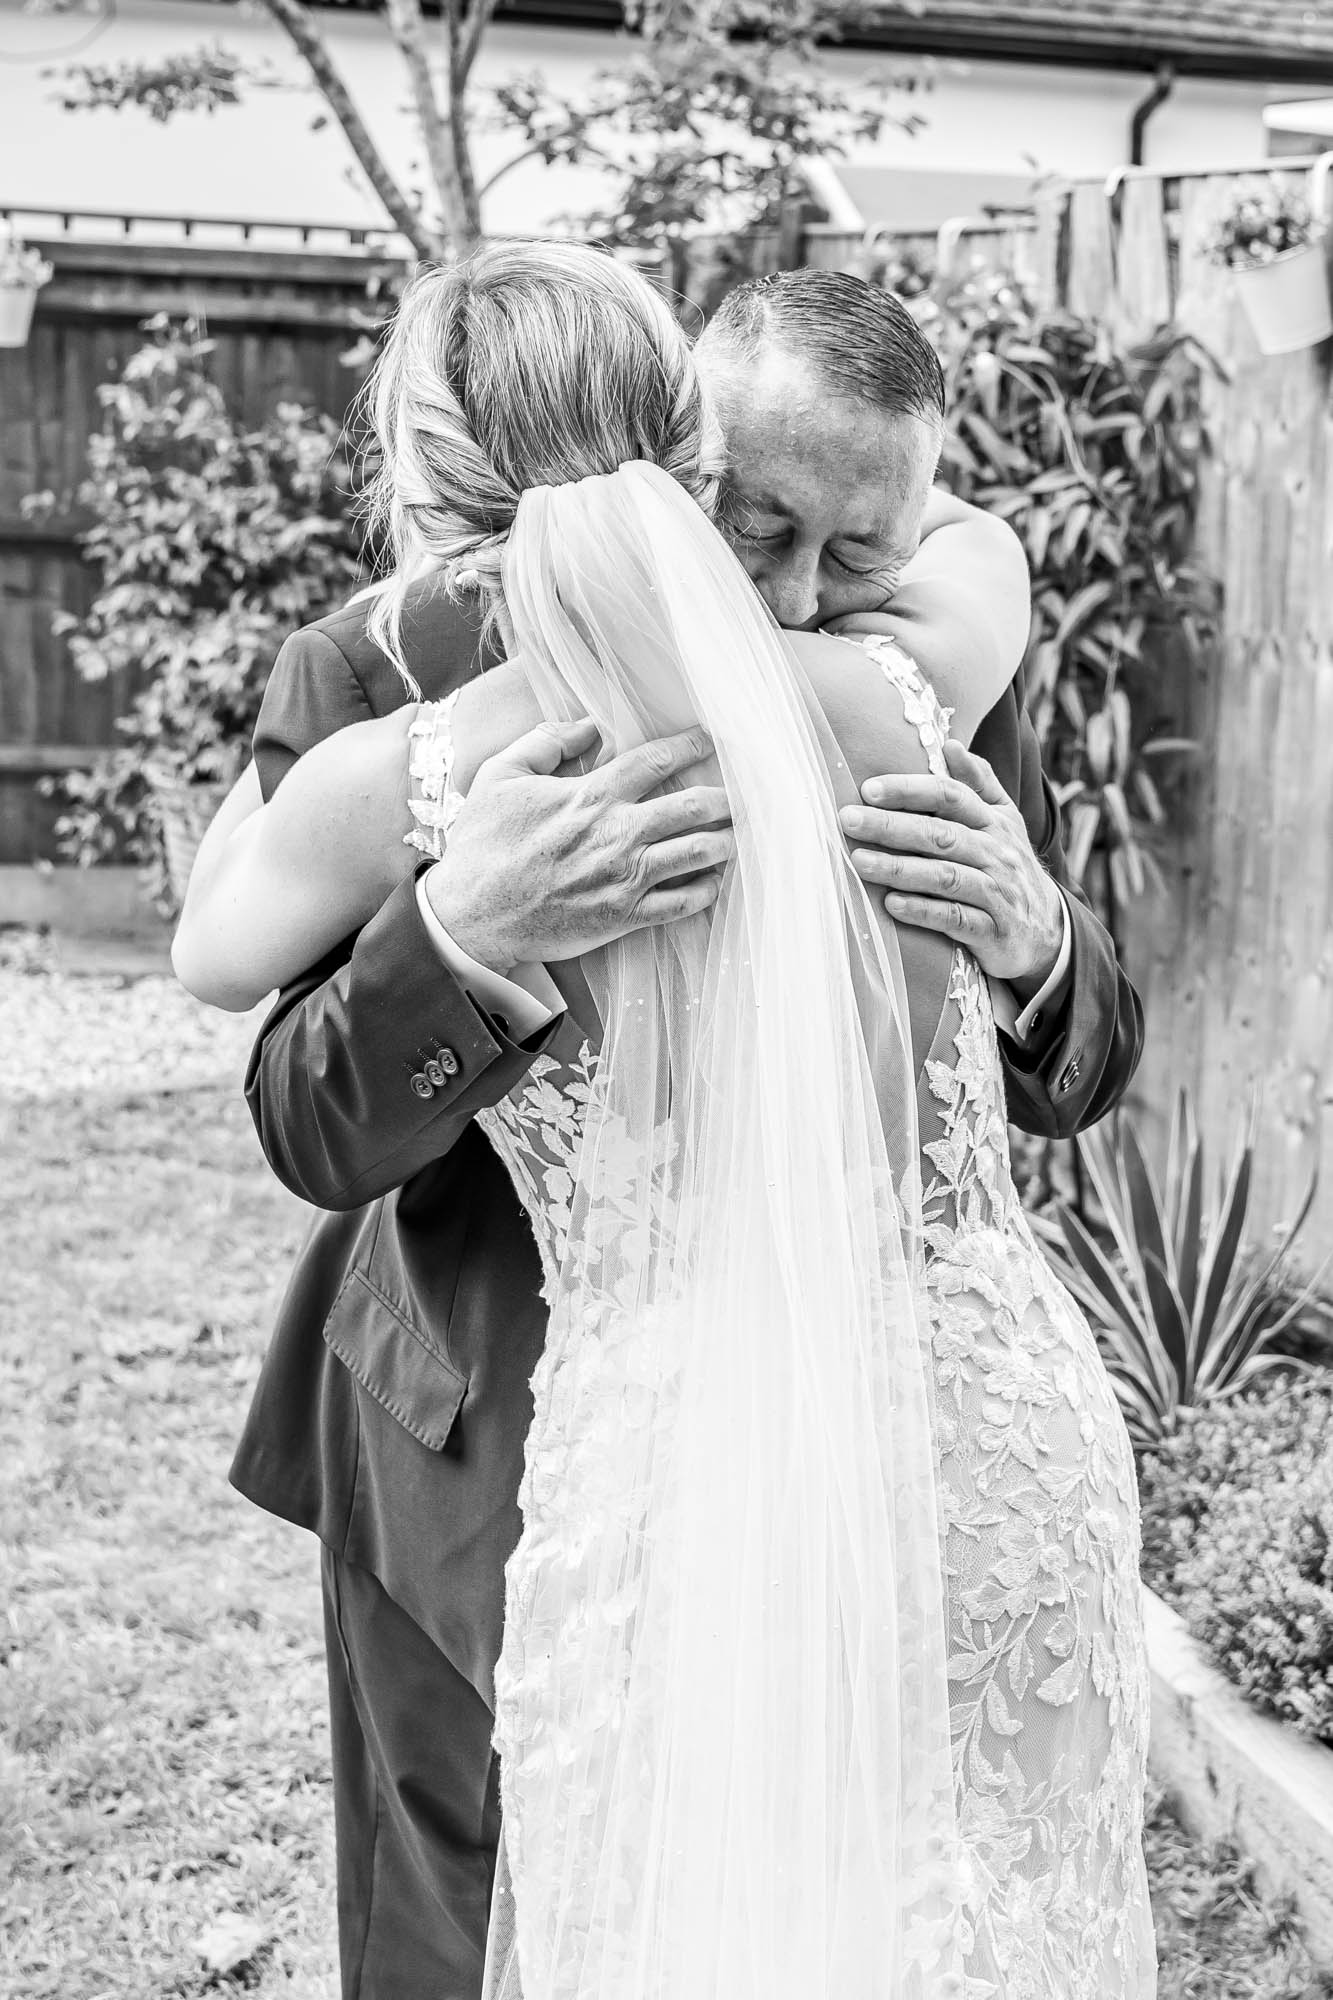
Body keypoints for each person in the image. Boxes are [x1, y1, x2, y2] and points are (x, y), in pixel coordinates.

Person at [175, 244, 1155, 1998]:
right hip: (490, 1447)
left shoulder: (883, 652)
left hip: (875, 1466)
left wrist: (1036, 945)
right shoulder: (372, 680)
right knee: (465, 1929)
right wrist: (462, 938)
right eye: (760, 528)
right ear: (685, 446)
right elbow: (304, 1120)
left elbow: (1056, 1056)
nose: (795, 595)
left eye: (857, 553)